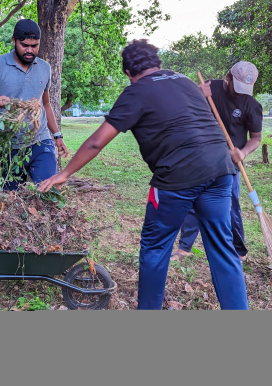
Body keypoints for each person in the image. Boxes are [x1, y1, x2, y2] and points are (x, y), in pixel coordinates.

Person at [38, 40, 248, 310]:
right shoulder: (184, 81)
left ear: (128, 72)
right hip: (221, 170)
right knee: (223, 248)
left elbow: (96, 142)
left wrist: (65, 173)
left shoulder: (136, 92)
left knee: (155, 249)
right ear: (157, 62)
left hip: (177, 177)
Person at [170, 61, 263, 263]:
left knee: (230, 206)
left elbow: (256, 138)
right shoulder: (209, 88)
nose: (240, 93)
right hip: (201, 156)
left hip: (230, 162)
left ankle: (239, 250)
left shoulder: (251, 104)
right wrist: (197, 94)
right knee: (193, 201)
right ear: (228, 78)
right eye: (237, 87)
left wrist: (243, 152)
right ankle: (185, 247)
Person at [0, 19, 69, 190]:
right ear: (14, 40)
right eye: (24, 45)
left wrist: (57, 135)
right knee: (11, 200)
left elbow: (46, 104)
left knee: (48, 192)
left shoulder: (45, 68)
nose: (30, 50)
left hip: (40, 142)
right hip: (7, 147)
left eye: (34, 45)